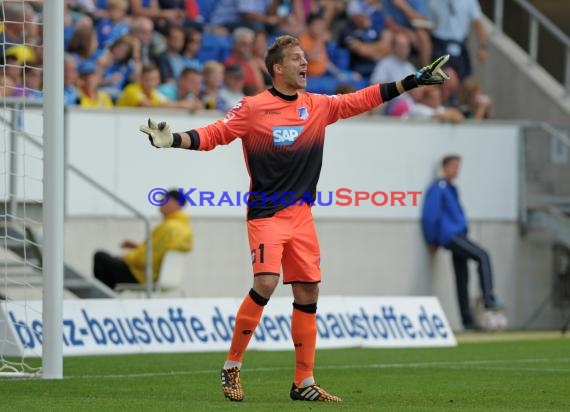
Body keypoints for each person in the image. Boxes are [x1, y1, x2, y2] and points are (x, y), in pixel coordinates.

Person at [140, 35, 449, 402]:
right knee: (267, 282)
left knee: (308, 291)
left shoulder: (316, 105)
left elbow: (362, 98)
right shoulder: (253, 108)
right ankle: (232, 367)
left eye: (305, 58)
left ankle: (303, 382)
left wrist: (413, 80)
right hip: (267, 214)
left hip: (301, 215)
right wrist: (172, 139)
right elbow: (215, 135)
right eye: (297, 59)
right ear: (277, 69)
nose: (305, 64)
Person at [421, 155, 502, 330]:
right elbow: (430, 216)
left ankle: (467, 320)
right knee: (482, 255)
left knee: (462, 278)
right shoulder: (439, 188)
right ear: (444, 167)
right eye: (453, 166)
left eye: (458, 167)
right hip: (450, 236)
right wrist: (431, 239)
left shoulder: (452, 189)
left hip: (458, 234)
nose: (456, 170)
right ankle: (488, 298)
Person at [93, 189, 192, 289]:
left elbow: (148, 257)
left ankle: (104, 298)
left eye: (166, 200)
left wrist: (126, 258)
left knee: (100, 257)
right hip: (153, 273)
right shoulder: (183, 227)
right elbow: (158, 249)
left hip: (143, 275)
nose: (161, 203)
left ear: (178, 205)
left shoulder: (169, 228)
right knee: (110, 263)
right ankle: (108, 296)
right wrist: (137, 246)